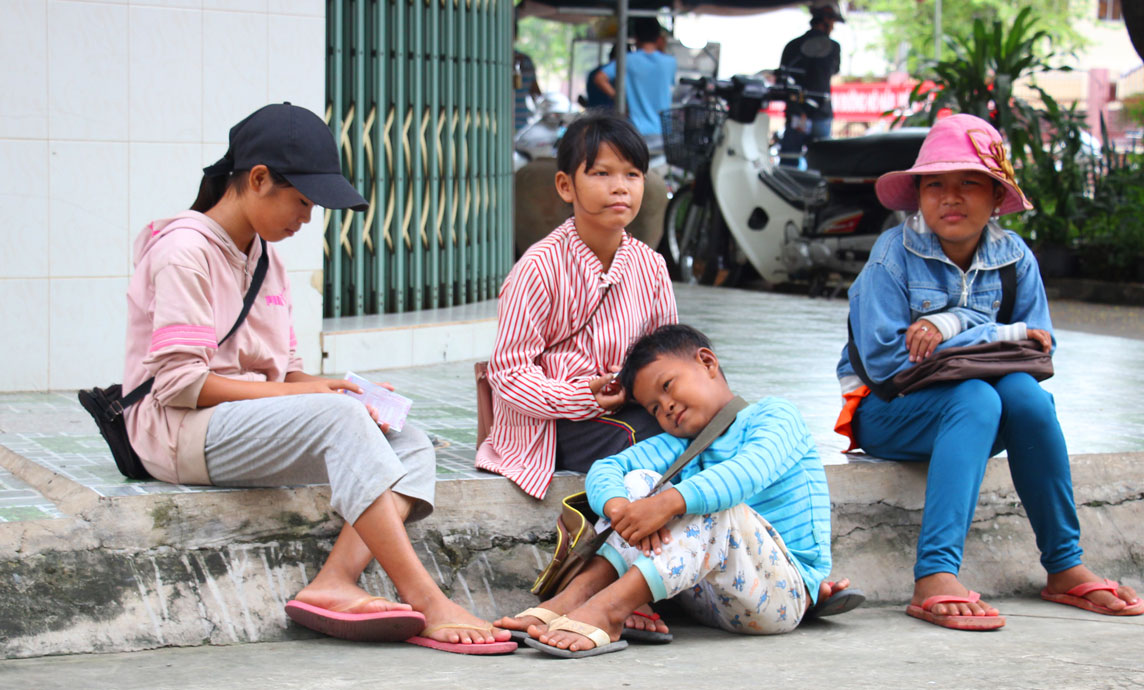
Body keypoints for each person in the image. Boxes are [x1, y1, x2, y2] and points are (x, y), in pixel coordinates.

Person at [123, 103, 515, 655]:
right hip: (177, 433)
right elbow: (181, 385)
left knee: (411, 443)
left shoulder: (265, 257)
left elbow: (285, 375)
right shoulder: (184, 252)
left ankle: (335, 580)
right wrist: (310, 394)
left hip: (242, 422)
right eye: (302, 200)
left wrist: (347, 389)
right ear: (258, 179)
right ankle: (426, 599)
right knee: (339, 417)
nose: (307, 218)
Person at [835, 113, 1143, 631]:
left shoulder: (1013, 256)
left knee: (1026, 395)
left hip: (979, 412)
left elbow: (1037, 346)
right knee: (976, 396)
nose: (950, 197)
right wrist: (996, 331)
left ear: (996, 198)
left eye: (968, 184)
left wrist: (952, 323)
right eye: (935, 185)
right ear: (919, 194)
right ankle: (935, 572)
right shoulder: (892, 256)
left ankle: (1065, 565)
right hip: (886, 412)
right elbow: (887, 363)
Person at [499, 324, 858, 658]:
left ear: (707, 362)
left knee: (717, 504)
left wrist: (667, 504)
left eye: (668, 386)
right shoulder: (684, 443)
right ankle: (576, 596)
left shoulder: (775, 417)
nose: (666, 407)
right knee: (639, 481)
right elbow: (607, 468)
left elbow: (746, 473)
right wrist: (619, 507)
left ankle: (608, 610)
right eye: (654, 407)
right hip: (706, 600)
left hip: (780, 597)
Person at [477, 110, 678, 637]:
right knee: (651, 445)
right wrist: (584, 399)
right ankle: (618, 589)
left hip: (626, 408)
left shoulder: (650, 265)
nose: (620, 188)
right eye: (602, 173)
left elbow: (666, 354)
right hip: (552, 419)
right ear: (566, 185)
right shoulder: (538, 268)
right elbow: (509, 373)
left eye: (632, 175)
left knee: (710, 432)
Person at [592, 18, 678, 147]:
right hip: (662, 131)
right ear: (658, 37)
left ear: (636, 37)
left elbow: (599, 78)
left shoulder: (628, 60)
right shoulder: (670, 62)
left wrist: (620, 99)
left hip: (635, 131)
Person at [778, 1, 842, 169]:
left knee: (789, 165)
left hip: (798, 112)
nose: (833, 27)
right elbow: (834, 71)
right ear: (825, 20)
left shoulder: (792, 46)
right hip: (819, 113)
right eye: (832, 22)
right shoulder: (833, 47)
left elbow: (784, 79)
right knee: (821, 166)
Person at [514, 22, 542, 131]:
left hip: (519, 125)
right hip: (519, 124)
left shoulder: (525, 61)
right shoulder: (526, 60)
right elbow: (536, 93)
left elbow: (536, 94)